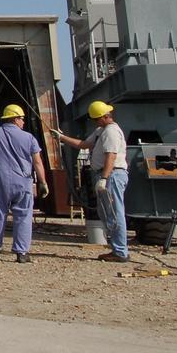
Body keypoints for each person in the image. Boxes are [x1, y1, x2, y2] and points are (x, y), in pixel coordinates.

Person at [52, 100, 129, 262]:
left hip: (112, 175)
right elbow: (84, 144)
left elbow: (111, 155)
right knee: (108, 212)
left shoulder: (111, 132)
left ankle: (120, 251)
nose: (95, 122)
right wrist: (62, 137)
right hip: (107, 175)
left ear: (103, 117)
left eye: (96, 119)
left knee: (114, 212)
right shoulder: (101, 131)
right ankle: (117, 249)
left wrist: (104, 178)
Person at [0, 104, 48, 263]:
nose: (23, 122)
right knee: (23, 215)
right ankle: (22, 253)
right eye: (22, 119)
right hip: (23, 181)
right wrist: (43, 182)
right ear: (15, 119)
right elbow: (37, 162)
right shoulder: (29, 138)